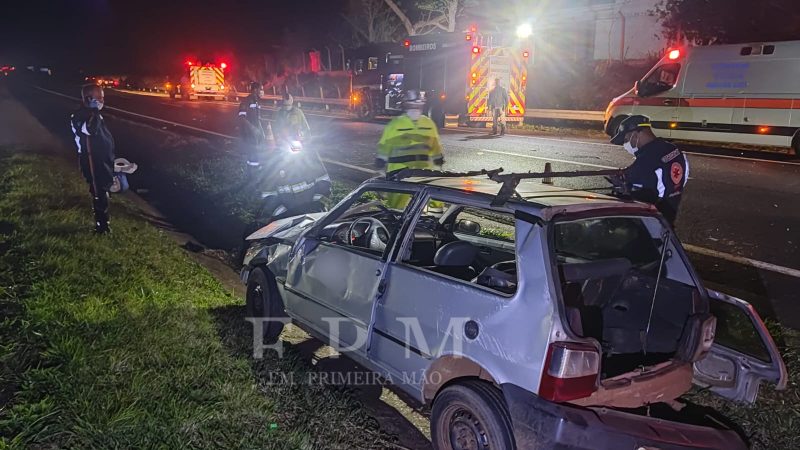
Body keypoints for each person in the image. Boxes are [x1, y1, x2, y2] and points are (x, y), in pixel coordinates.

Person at [609, 115, 689, 226]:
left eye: (626, 140)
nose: (625, 145)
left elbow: (638, 199)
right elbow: (683, 179)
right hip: (671, 210)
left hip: (652, 221)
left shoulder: (645, 162)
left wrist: (623, 186)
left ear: (635, 135)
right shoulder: (674, 149)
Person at [376, 90, 445, 211]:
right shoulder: (397, 124)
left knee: (435, 207)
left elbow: (436, 147)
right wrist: (381, 166)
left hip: (421, 174)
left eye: (417, 106)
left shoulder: (427, 123)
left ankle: (435, 225)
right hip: (400, 175)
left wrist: (438, 164)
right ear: (406, 106)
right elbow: (384, 147)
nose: (415, 109)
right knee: (397, 210)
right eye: (413, 105)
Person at [70, 84, 115, 234]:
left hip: (102, 159)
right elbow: (91, 130)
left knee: (104, 188)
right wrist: (94, 110)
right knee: (98, 191)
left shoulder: (93, 114)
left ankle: (104, 222)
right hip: (92, 160)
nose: (102, 101)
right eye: (99, 98)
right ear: (89, 99)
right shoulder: (80, 116)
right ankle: (102, 226)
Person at [238, 81, 267, 167]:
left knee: (257, 151)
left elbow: (257, 118)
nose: (261, 91)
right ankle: (252, 171)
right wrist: (253, 129)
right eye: (260, 89)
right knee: (253, 151)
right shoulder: (246, 101)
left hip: (256, 131)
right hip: (249, 132)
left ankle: (255, 167)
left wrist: (261, 130)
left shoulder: (257, 101)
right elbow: (242, 117)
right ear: (255, 90)